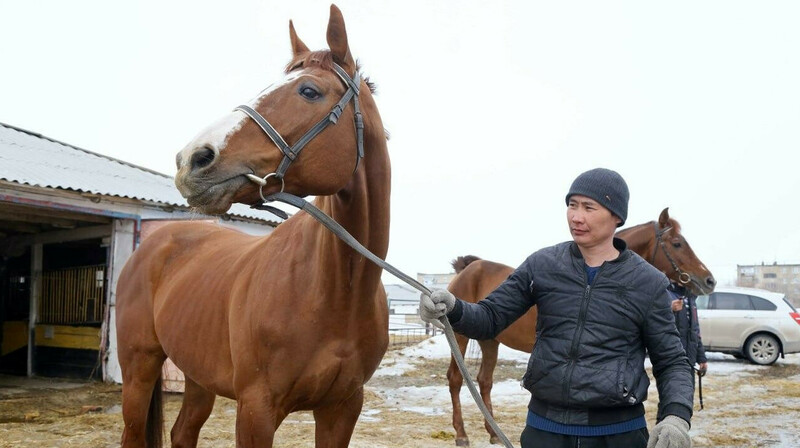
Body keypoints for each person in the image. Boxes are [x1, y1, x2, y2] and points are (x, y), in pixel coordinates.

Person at [421, 168, 694, 448]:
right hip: (544, 431)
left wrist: (675, 416)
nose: (576, 216)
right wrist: (453, 309)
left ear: (616, 216)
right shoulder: (543, 265)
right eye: (572, 205)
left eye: (589, 207)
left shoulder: (647, 282)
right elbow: (490, 317)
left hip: (618, 434)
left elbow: (672, 361)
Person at [668, 282, 708, 393]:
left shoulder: (690, 297)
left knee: (688, 393)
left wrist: (701, 358)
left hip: (689, 359)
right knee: (673, 395)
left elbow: (695, 330)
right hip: (671, 359)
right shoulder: (665, 293)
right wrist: (668, 308)